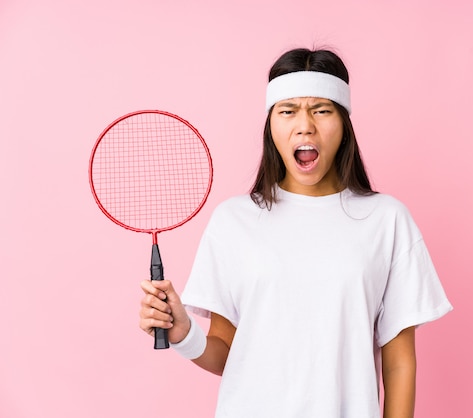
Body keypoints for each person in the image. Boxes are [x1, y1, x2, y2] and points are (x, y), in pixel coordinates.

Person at [139, 47, 452, 418]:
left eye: (321, 110)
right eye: (288, 111)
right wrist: (182, 333)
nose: (305, 125)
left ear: (344, 124)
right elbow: (226, 352)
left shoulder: (387, 220)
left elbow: (399, 363)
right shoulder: (234, 221)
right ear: (271, 126)